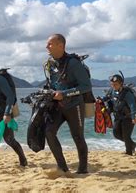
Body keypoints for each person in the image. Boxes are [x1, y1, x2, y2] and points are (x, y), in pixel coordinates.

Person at [43, 34, 90, 174]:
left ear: (60, 46)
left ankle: (82, 169)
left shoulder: (73, 63)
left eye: (50, 44)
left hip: (74, 105)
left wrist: (65, 93)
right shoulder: (50, 64)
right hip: (58, 106)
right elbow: (53, 84)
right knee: (49, 132)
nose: (47, 47)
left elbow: (86, 86)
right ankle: (62, 167)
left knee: (77, 137)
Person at [105, 74, 136, 155]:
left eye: (115, 84)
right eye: (112, 84)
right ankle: (132, 144)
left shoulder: (127, 93)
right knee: (116, 134)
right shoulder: (112, 90)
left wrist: (135, 116)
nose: (113, 86)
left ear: (121, 83)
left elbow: (133, 105)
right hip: (118, 116)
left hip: (128, 117)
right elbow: (107, 97)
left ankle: (129, 152)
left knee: (126, 135)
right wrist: (100, 100)